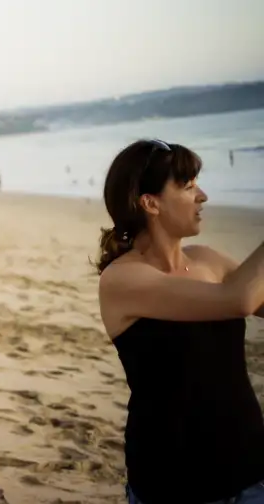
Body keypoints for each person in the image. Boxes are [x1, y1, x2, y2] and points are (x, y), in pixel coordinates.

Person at [96, 139, 264, 504]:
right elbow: (238, 300)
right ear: (150, 202)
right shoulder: (122, 281)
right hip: (174, 485)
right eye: (188, 186)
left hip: (252, 472)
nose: (202, 196)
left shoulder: (207, 260)